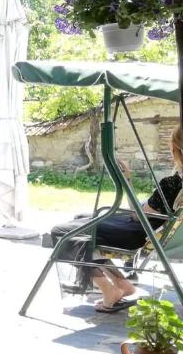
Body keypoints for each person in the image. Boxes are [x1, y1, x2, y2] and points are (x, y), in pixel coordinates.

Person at [51, 125, 183, 312]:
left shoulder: (172, 183)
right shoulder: (176, 183)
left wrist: (126, 182)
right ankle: (122, 284)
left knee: (63, 231)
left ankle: (108, 289)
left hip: (139, 233)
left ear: (174, 149)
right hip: (154, 231)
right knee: (81, 218)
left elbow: (138, 216)